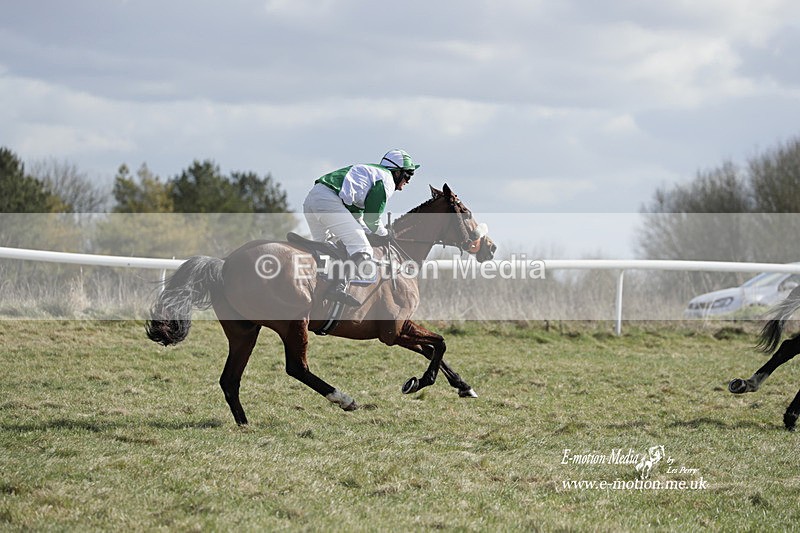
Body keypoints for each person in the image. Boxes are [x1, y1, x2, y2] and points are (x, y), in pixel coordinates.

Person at [303, 149, 419, 305]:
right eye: (408, 175)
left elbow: (357, 216)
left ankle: (317, 289)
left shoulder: (371, 175)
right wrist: (385, 234)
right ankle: (338, 287)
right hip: (327, 201)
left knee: (326, 248)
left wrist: (366, 231)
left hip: (313, 199)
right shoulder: (386, 180)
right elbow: (372, 219)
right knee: (362, 248)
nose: (408, 181)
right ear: (397, 172)